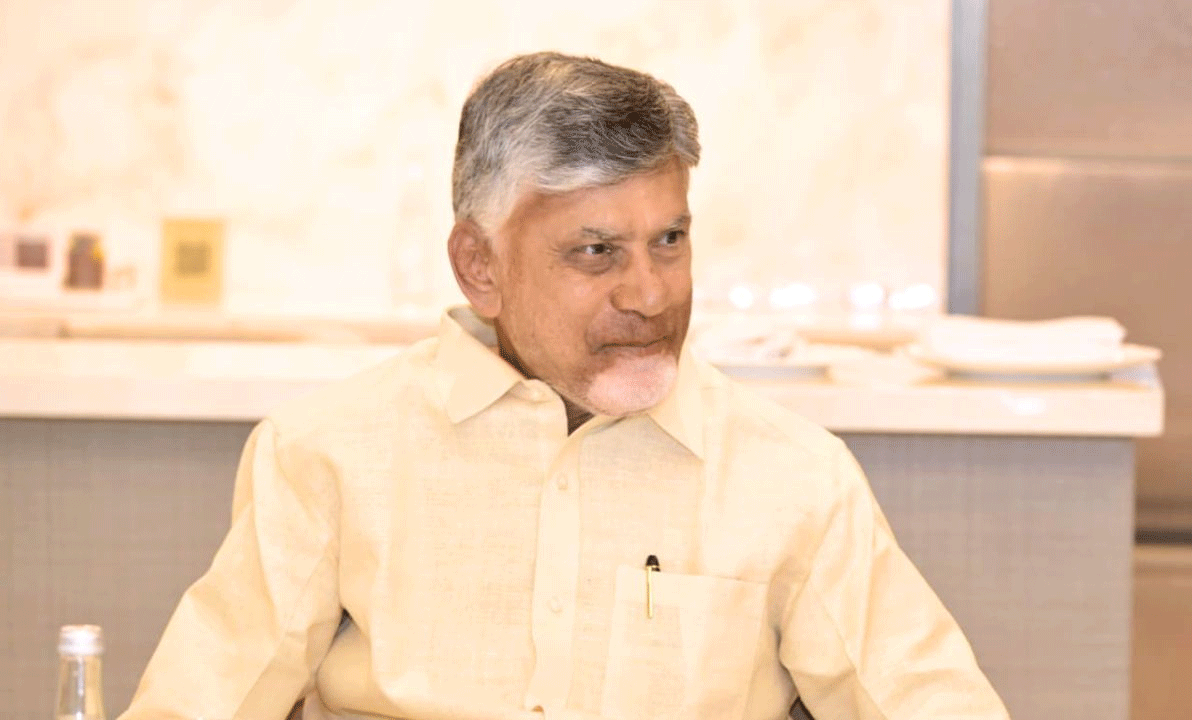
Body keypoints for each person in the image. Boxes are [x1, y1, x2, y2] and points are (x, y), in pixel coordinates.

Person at [120, 52, 1010, 720]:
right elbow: (199, 701)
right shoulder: (326, 456)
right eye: (596, 251)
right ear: (480, 265)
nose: (650, 293)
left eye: (669, 241)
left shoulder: (795, 479)